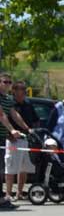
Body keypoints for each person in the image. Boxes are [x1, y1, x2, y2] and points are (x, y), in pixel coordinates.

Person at [1, 73, 34, 204]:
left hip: (2, 137)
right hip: (6, 138)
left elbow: (14, 114)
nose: (8, 84)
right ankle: (5, 196)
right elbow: (1, 115)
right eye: (5, 82)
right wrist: (12, 130)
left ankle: (3, 198)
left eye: (9, 82)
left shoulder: (7, 99)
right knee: (6, 167)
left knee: (2, 167)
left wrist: (26, 128)